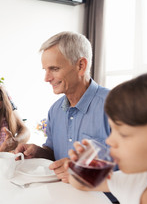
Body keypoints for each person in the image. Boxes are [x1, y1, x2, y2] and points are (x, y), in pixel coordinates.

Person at [14, 31, 110, 183]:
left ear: (81, 66)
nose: (46, 78)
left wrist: (83, 171)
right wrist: (38, 152)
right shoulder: (55, 110)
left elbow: (139, 172)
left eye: (54, 69)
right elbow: (54, 154)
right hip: (63, 197)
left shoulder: (114, 106)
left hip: (106, 203)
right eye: (45, 70)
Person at [67, 73, 147, 204]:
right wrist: (81, 166)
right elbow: (81, 185)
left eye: (124, 134)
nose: (110, 141)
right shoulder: (133, 181)